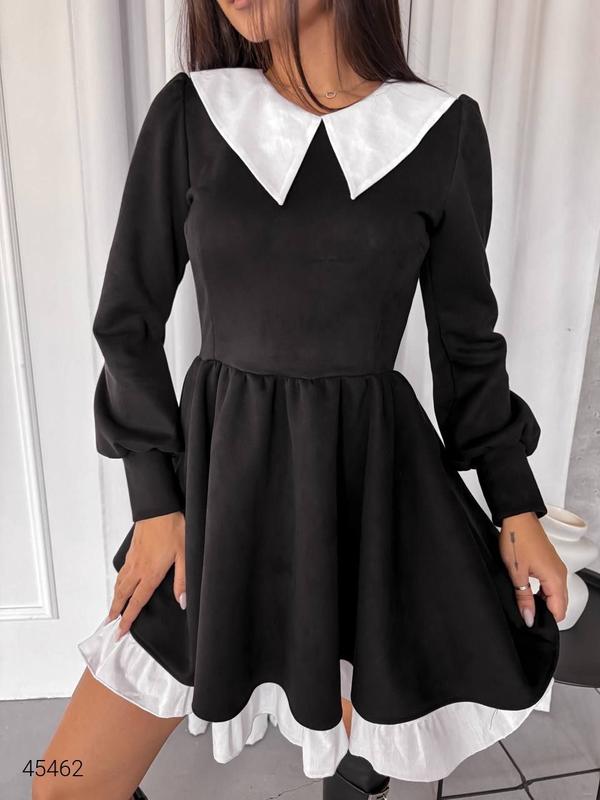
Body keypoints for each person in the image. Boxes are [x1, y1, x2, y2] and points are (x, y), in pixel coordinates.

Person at [33, 1, 568, 798]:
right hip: (218, 501)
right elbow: (127, 322)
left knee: (361, 734)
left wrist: (516, 505)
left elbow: (466, 346)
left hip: (371, 502)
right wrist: (155, 504)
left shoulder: (438, 129)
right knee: (64, 783)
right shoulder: (194, 112)